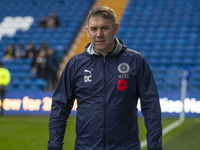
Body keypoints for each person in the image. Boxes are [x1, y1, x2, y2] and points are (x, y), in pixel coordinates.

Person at [48, 6, 162, 150]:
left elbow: (151, 107)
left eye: (105, 28)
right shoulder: (75, 64)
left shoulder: (136, 61)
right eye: (94, 29)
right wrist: (54, 147)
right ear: (87, 31)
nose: (99, 34)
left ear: (115, 29)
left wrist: (155, 147)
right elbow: (60, 107)